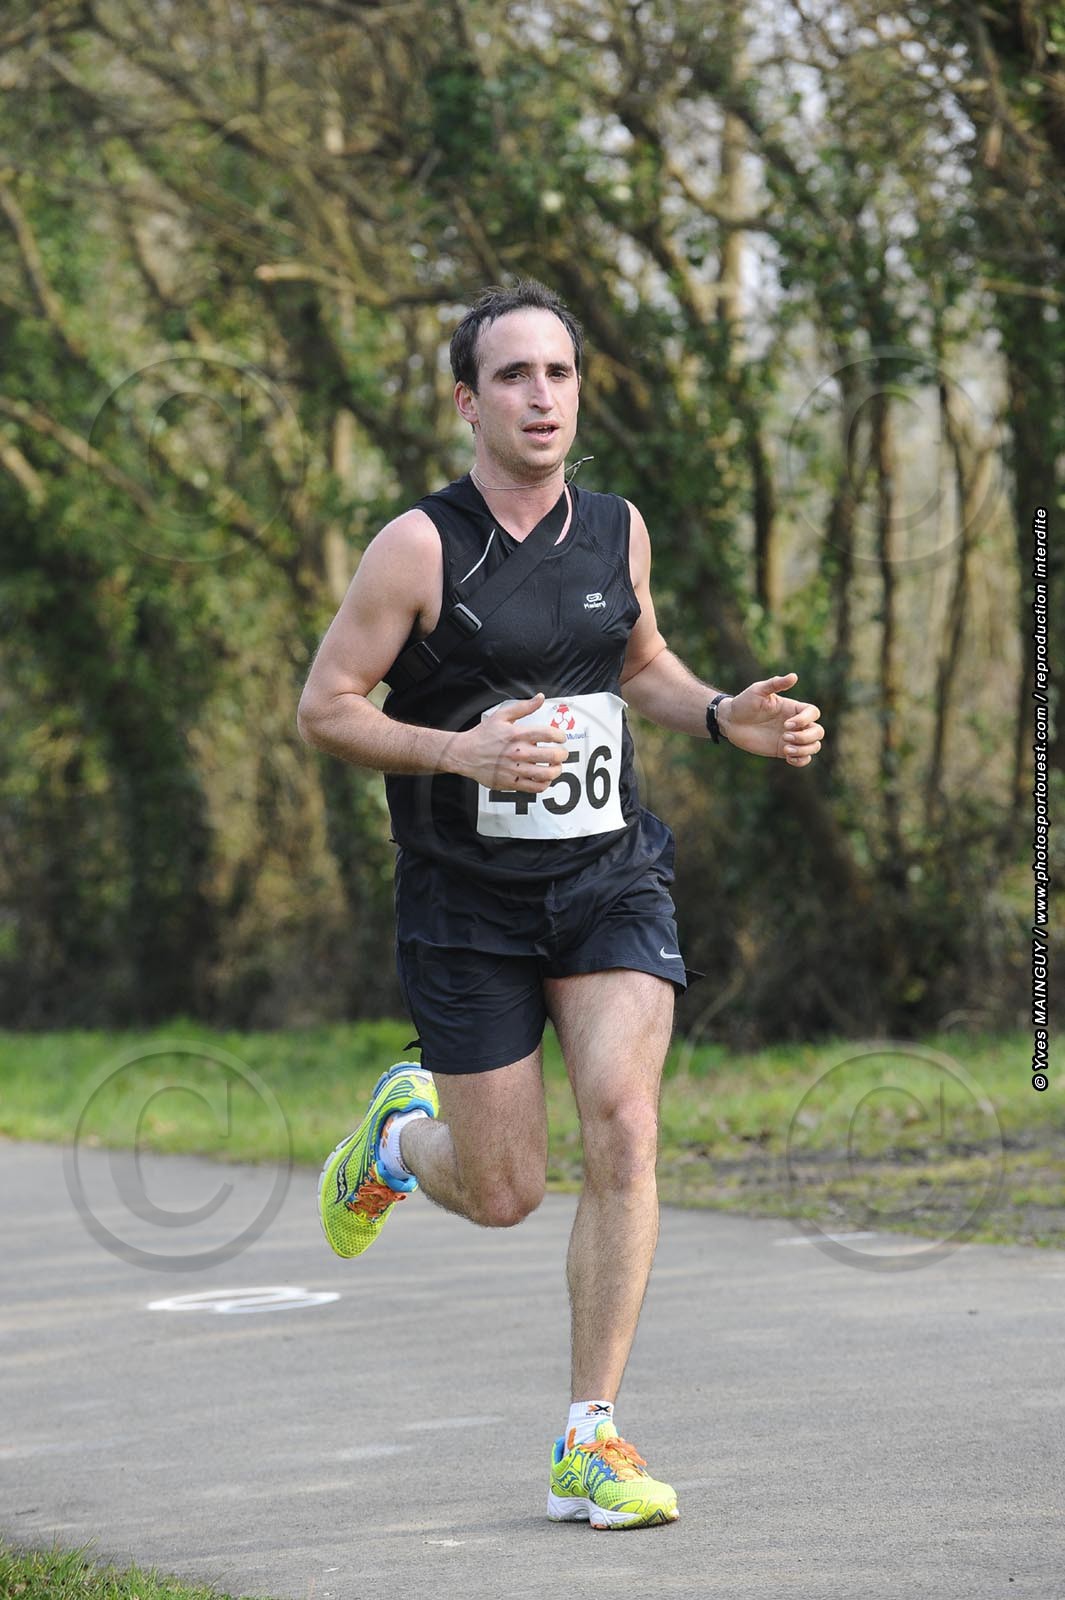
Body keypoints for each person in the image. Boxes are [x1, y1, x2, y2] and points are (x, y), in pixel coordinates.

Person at [297, 280, 825, 1531]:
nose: (542, 396)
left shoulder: (616, 529)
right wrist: (460, 751)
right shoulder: (419, 547)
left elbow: (637, 663)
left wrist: (719, 714)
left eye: (560, 373)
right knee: (505, 1192)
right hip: (465, 903)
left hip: (608, 879)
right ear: (467, 401)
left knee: (626, 1126)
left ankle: (589, 1436)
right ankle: (396, 1140)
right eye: (514, 375)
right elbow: (325, 707)